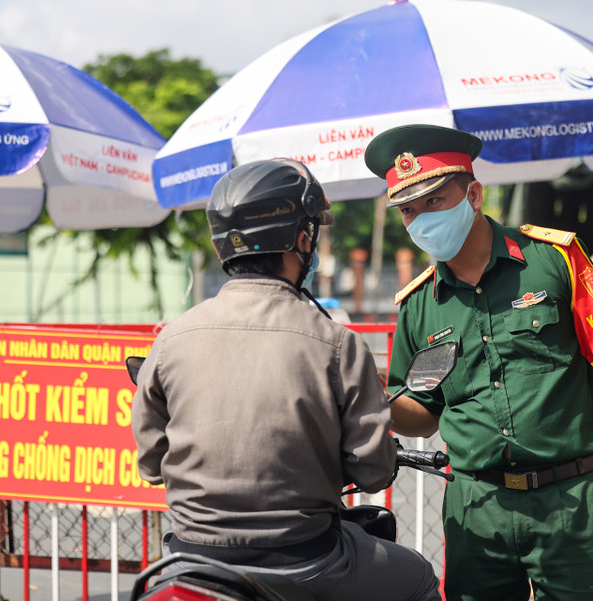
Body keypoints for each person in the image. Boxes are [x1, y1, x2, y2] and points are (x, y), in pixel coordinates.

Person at [364, 124, 593, 601]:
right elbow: (423, 415)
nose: (421, 220)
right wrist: (374, 396)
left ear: (474, 194)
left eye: (434, 201)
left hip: (570, 498)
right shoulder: (418, 305)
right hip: (476, 504)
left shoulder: (554, 259)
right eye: (408, 211)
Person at [131, 159, 441, 601]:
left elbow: (150, 464)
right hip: (307, 560)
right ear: (301, 240)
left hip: (189, 559)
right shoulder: (336, 343)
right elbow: (372, 471)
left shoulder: (171, 340)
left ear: (223, 249)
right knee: (418, 577)